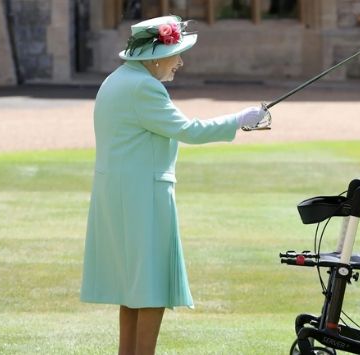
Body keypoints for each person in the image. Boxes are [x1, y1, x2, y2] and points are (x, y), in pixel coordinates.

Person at [80, 16, 267, 355]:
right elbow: (190, 130)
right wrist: (240, 120)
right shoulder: (144, 86)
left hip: (119, 195)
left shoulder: (116, 80)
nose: (180, 62)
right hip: (142, 197)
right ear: (153, 56)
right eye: (176, 54)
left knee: (132, 288)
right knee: (151, 287)